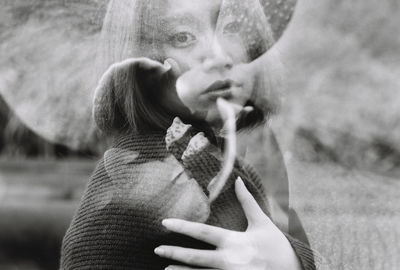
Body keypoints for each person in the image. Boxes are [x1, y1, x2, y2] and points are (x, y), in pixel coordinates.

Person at [60, 0, 327, 269]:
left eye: (232, 27)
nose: (220, 56)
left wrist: (288, 260)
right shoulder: (159, 177)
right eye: (183, 37)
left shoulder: (209, 157)